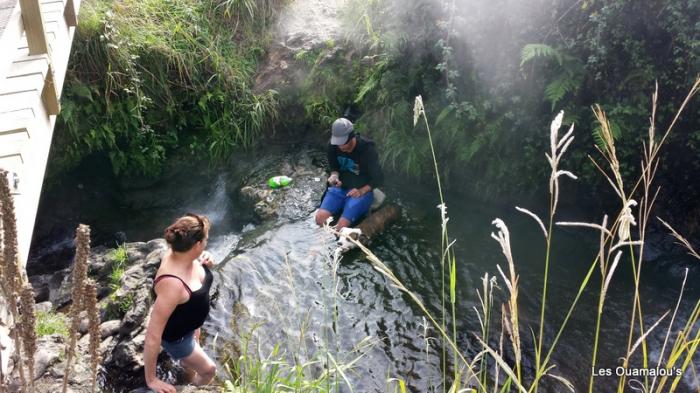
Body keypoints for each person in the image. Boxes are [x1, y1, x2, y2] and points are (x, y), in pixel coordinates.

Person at [143, 213, 217, 393]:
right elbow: (153, 336)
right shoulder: (172, 284)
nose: (206, 243)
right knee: (209, 370)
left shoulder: (180, 253)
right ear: (197, 244)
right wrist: (152, 380)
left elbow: (198, 274)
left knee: (190, 364)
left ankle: (186, 366)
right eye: (206, 241)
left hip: (189, 327)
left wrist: (206, 258)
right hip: (178, 339)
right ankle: (192, 388)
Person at [315, 118, 384, 230]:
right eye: (338, 143)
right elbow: (334, 168)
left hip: (360, 191)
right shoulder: (332, 146)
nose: (341, 147)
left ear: (352, 136)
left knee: (341, 227)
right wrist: (334, 176)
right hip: (340, 187)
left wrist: (362, 191)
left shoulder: (367, 149)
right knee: (319, 219)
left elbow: (379, 178)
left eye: (343, 143)